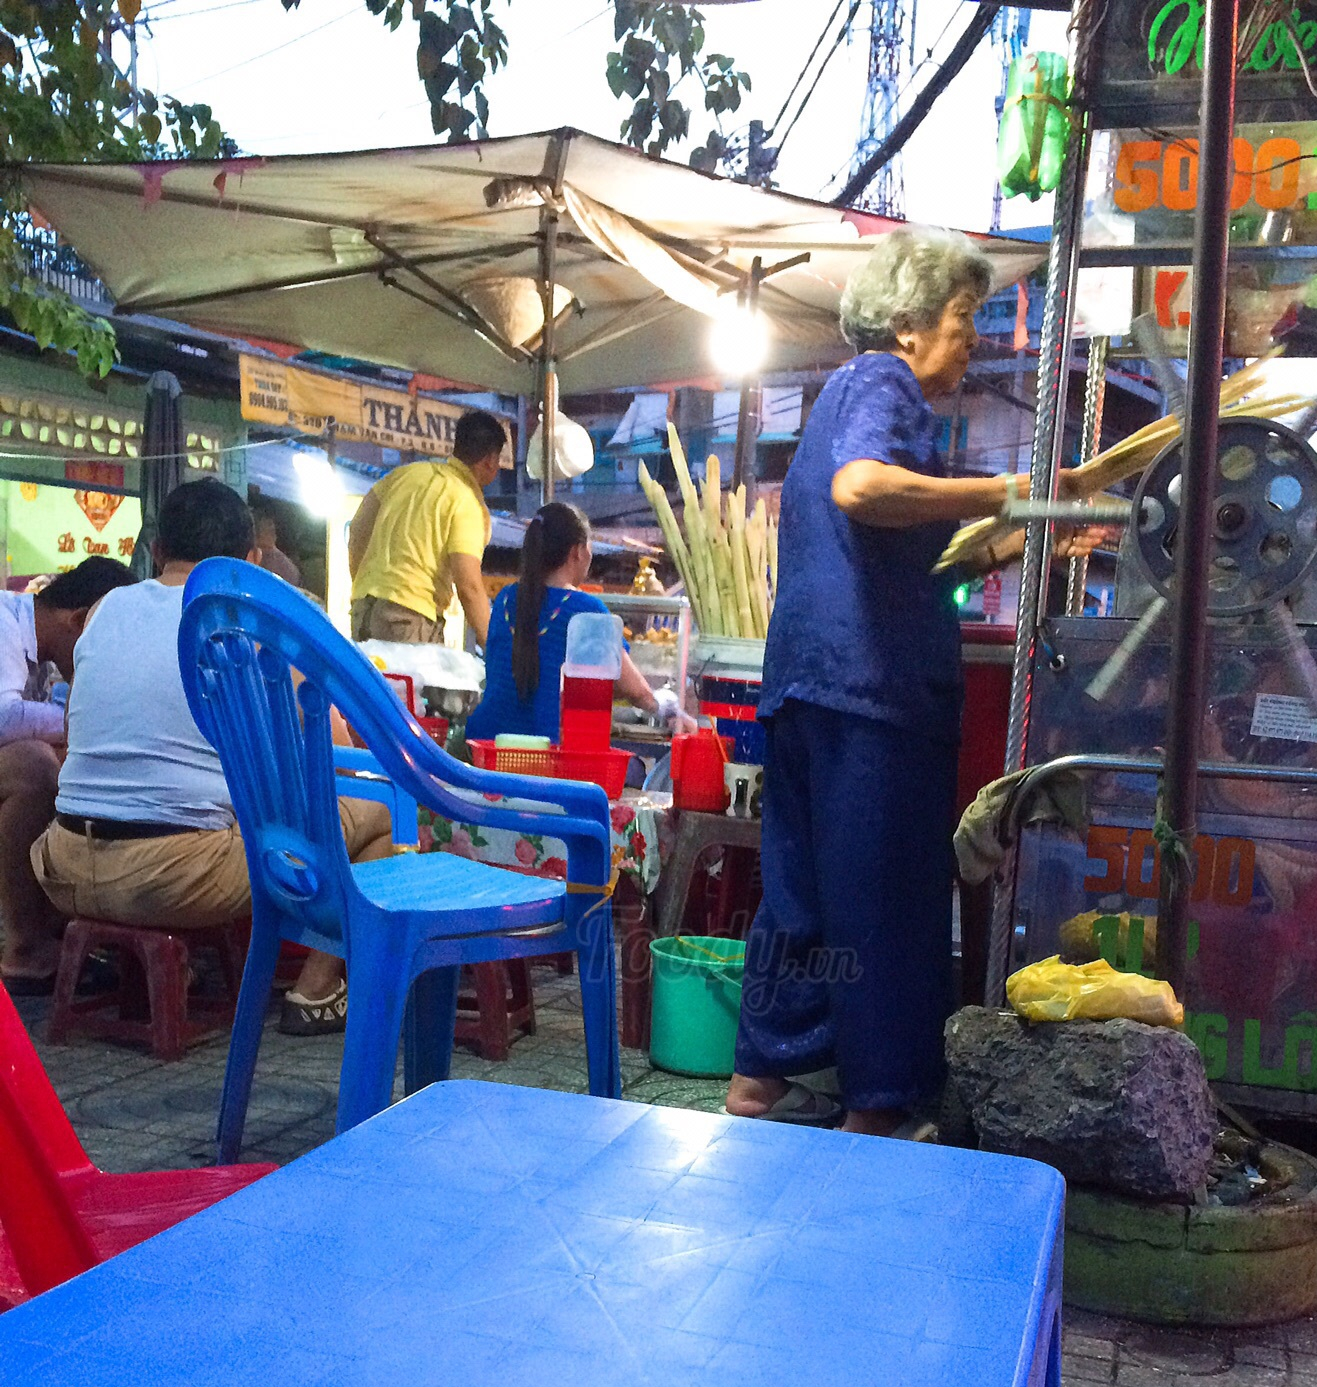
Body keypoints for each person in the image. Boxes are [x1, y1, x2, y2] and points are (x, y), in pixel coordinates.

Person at [725, 228, 1102, 1136]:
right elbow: (860, 490)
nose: (972, 339)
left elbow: (927, 557)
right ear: (907, 324)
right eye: (963, 317)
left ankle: (759, 1080)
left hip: (810, 684)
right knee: (885, 897)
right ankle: (878, 1106)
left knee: (803, 891)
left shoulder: (845, 398)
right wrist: (1007, 488)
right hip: (872, 693)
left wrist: (1037, 530)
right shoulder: (881, 384)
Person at [31, 479, 393, 1036]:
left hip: (63, 865)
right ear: (252, 560)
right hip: (175, 879)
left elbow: (84, 724)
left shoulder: (105, 607)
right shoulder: (252, 624)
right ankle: (316, 988)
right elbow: (338, 761)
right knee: (382, 812)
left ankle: (158, 969)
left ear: (156, 550)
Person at [0, 557, 138, 992]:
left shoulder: (38, 649)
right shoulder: (3, 623)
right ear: (78, 621)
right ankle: (26, 948)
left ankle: (55, 924)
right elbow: (3, 718)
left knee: (65, 763)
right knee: (35, 769)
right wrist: (81, 719)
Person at [468, 501, 680, 741]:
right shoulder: (586, 610)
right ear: (578, 551)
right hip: (545, 750)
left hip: (488, 743)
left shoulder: (505, 599)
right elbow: (636, 692)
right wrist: (666, 705)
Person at [348, 410, 507, 648]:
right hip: (410, 620)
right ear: (490, 460)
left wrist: (366, 585)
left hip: (364, 612)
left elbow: (357, 530)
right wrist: (494, 649)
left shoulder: (404, 475)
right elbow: (469, 587)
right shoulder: (466, 502)